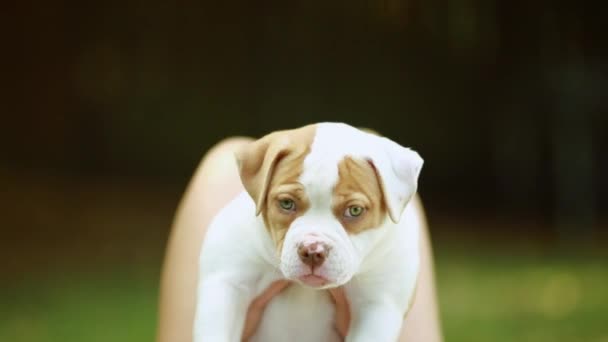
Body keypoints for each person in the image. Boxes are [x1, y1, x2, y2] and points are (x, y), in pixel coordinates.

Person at [156, 136, 444, 342]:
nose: (314, 246)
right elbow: (224, 286)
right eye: (288, 204)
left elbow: (384, 305)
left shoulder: (399, 230)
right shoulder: (231, 206)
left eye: (353, 210)